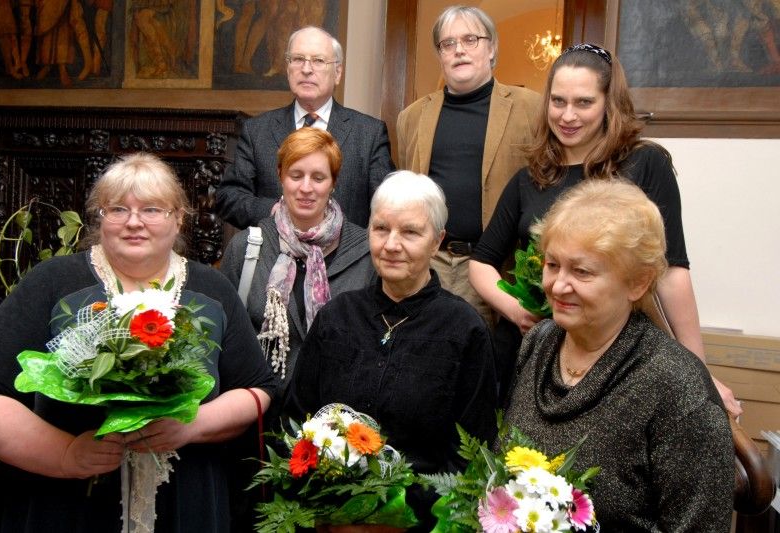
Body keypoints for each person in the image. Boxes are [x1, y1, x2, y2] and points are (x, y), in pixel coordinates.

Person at [0, 153, 276, 532]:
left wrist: (192, 426)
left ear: (179, 217)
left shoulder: (212, 291)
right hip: (64, 504)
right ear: (99, 217)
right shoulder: (53, 282)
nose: (134, 222)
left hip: (184, 505)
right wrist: (66, 455)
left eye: (152, 209)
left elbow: (259, 388)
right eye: (117, 209)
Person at [469, 42, 741, 415]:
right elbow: (480, 262)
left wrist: (699, 371)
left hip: (615, 355)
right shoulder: (528, 178)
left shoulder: (645, 164)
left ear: (608, 104)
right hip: (526, 354)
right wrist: (518, 311)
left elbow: (671, 271)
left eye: (583, 102)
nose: (567, 115)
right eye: (558, 101)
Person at [502, 179, 734, 531]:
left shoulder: (676, 385)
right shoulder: (540, 341)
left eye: (582, 271)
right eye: (552, 265)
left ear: (637, 283)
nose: (558, 285)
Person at [285, 171, 497, 531]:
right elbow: (295, 417)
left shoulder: (464, 329)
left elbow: (473, 453)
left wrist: (405, 513)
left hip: (420, 522)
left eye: (410, 232)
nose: (391, 244)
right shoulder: (337, 316)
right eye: (381, 228)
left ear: (437, 241)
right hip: (329, 518)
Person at [396, 5, 540, 324]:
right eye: (448, 43)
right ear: (440, 54)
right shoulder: (412, 117)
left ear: (492, 48)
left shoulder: (532, 108)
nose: (459, 49)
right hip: (429, 263)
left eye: (470, 39)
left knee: (482, 366)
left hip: (493, 269)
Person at [219, 127, 374, 402]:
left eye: (318, 177)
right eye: (296, 175)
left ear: (333, 182)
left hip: (341, 418)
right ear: (280, 176)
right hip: (261, 416)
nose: (306, 188)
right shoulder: (246, 248)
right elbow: (224, 341)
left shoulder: (367, 252)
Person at [217, 25, 394, 229]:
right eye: (298, 59)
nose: (307, 69)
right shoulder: (256, 131)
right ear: (288, 68)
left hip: (344, 258)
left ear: (337, 73)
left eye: (318, 61)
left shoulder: (369, 134)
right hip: (275, 254)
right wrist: (275, 211)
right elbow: (228, 197)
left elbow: (387, 206)